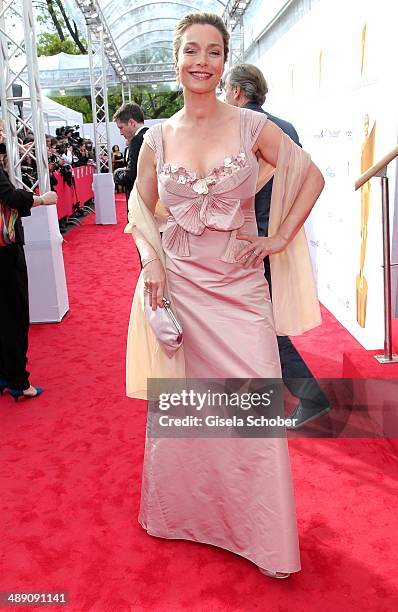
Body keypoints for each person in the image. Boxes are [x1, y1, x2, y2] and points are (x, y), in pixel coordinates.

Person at [125, 12, 324, 578]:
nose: (202, 62)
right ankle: (186, 517)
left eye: (214, 52)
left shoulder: (250, 127)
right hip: (183, 290)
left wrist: (279, 236)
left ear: (225, 61)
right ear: (176, 59)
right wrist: (152, 260)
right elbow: (140, 208)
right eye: (192, 51)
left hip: (240, 291)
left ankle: (263, 538)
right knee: (190, 414)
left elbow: (308, 175)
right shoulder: (156, 137)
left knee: (253, 412)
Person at [224, 63, 330, 429]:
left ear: (238, 92)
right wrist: (284, 232)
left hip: (251, 242)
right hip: (277, 236)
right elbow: (304, 183)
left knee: (261, 324)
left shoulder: (239, 128)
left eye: (226, 89)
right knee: (262, 320)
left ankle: (310, 395)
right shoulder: (286, 126)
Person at [0, 123, 58, 400]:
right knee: (15, 315)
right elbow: (10, 197)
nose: (3, 136)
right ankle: (18, 382)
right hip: (4, 250)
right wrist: (42, 199)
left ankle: (5, 375)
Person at [112, 102, 148, 215]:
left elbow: (131, 177)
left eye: (121, 127)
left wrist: (117, 175)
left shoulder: (137, 140)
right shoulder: (151, 135)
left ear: (131, 122)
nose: (120, 133)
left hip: (140, 204)